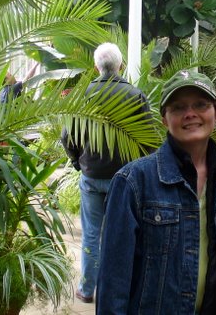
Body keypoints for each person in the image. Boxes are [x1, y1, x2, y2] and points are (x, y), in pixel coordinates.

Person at [96, 70, 216, 315]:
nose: (190, 114)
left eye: (201, 104)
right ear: (164, 119)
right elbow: (113, 281)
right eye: (178, 107)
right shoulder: (134, 182)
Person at [62, 42, 152, 303]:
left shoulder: (84, 95)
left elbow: (68, 136)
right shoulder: (134, 95)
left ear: (96, 67)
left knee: (91, 233)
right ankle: (118, 292)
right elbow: (147, 139)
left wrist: (78, 161)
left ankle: (88, 289)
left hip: (91, 177)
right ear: (121, 66)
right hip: (125, 180)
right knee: (122, 233)